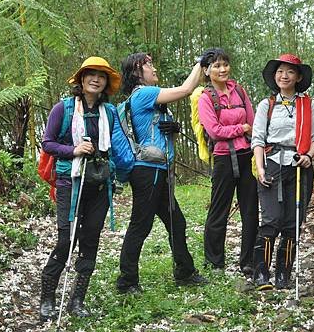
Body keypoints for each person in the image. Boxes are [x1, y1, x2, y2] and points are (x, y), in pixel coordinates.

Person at [39, 57, 134, 321]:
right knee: (66, 240)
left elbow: (116, 146)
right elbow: (47, 143)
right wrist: (74, 150)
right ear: (81, 80)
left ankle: (77, 300)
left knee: (90, 239)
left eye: (101, 76)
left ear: (106, 83)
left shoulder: (110, 113)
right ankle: (47, 297)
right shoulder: (64, 108)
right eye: (90, 75)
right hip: (70, 181)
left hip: (100, 184)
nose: (96, 79)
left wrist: (120, 172)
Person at [116, 52, 208, 294]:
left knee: (176, 222)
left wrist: (173, 128)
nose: (154, 69)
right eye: (149, 65)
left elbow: (153, 132)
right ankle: (126, 282)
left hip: (158, 170)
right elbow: (187, 89)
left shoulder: (153, 101)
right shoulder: (144, 94)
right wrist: (200, 63)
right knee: (140, 225)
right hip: (148, 171)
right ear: (137, 72)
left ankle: (184, 272)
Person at [251, 53, 314, 290]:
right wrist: (260, 168)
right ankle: (261, 272)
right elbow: (258, 140)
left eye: (290, 71)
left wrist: (308, 156)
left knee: (292, 222)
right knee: (271, 219)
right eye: (280, 71)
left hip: (300, 166)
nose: (284, 75)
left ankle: (284, 273)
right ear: (275, 76)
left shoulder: (308, 104)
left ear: (298, 76)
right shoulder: (267, 104)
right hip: (272, 164)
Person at [196, 48, 258, 276]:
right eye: (216, 66)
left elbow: (253, 122)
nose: (222, 69)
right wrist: (240, 129)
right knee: (219, 209)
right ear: (207, 70)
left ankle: (249, 261)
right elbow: (214, 131)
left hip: (247, 156)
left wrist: (249, 132)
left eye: (225, 64)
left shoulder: (239, 91)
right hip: (223, 158)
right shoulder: (206, 97)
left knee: (250, 210)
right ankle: (214, 262)